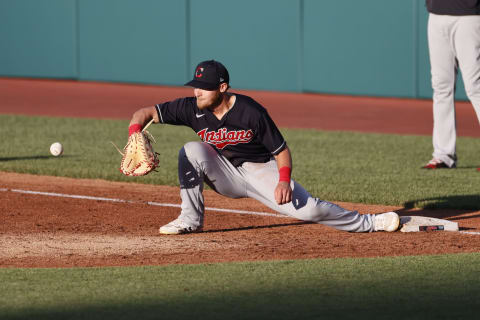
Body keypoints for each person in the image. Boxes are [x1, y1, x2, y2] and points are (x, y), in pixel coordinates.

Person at [128, 60, 400, 234]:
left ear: (222, 87)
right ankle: (190, 219)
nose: (196, 92)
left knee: (311, 210)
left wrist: (283, 181)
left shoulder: (250, 111)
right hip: (225, 174)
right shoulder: (190, 108)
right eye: (195, 86)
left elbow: (281, 150)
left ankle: (370, 223)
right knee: (190, 149)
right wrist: (134, 131)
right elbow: (144, 112)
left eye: (204, 87)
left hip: (262, 171)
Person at [423, 0, 480, 170]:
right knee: (441, 86)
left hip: (469, 15)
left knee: (475, 86)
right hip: (437, 13)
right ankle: (443, 154)